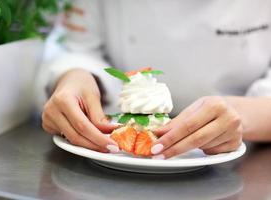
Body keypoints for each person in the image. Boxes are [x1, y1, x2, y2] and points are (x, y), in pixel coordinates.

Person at [39, 0, 271, 159]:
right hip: (111, 147)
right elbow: (78, 47)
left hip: (244, 160)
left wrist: (241, 117)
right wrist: (75, 76)